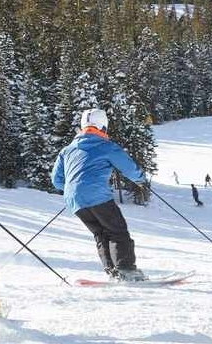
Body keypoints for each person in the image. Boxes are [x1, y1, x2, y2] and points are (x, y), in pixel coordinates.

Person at [52, 108, 148, 282]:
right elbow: (128, 167)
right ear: (103, 126)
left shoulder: (67, 150)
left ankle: (113, 271)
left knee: (100, 233)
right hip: (96, 195)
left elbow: (56, 180)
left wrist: (75, 189)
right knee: (117, 231)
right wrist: (141, 179)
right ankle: (126, 271)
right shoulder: (105, 146)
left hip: (74, 200)